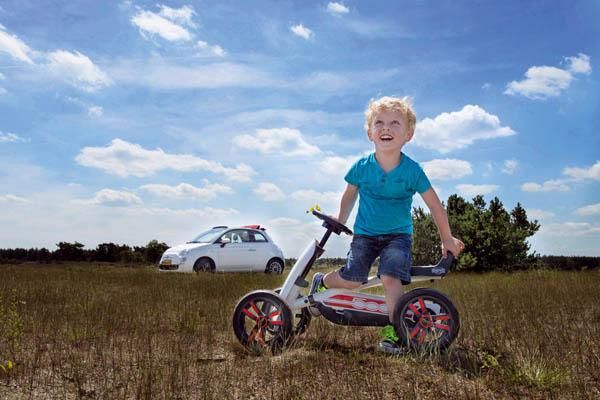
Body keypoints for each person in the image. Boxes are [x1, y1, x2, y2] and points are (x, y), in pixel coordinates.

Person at [310, 96, 465, 354]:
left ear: (408, 134)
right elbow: (349, 195)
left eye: (395, 123)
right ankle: (323, 281)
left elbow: (435, 205)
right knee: (352, 280)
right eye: (379, 123)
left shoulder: (413, 171)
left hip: (397, 236)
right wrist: (340, 218)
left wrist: (447, 239)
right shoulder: (361, 167)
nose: (386, 128)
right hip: (365, 235)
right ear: (370, 133)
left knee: (391, 277)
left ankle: (394, 332)